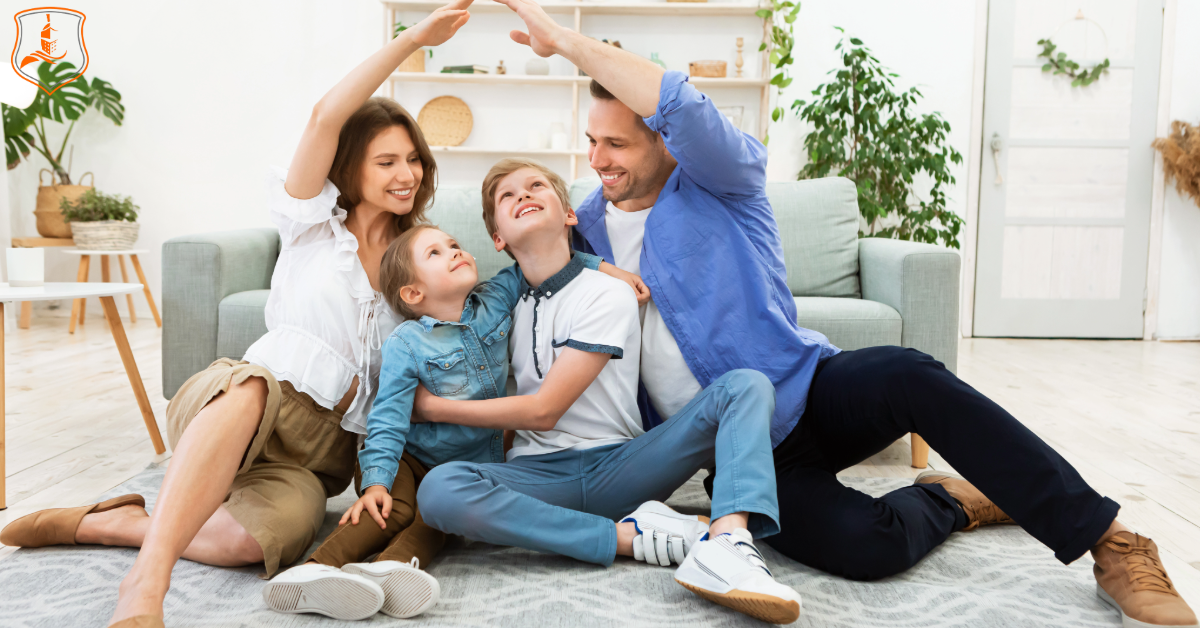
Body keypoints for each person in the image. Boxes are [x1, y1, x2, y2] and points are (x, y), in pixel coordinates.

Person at [488, 0, 1200, 626]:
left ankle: (1112, 541)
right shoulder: (586, 220)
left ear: (666, 143)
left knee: (912, 376)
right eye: (591, 142)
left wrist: (567, 41)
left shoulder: (723, 180)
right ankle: (952, 501)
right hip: (739, 451)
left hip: (811, 389)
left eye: (616, 142)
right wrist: (592, 264)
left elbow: (678, 100)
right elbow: (522, 266)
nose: (598, 159)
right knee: (866, 547)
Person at [0, 3, 475, 627]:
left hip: (323, 450)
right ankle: (144, 587)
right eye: (387, 161)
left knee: (250, 545)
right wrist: (413, 39)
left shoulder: (418, 258)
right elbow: (325, 115)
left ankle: (115, 524)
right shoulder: (309, 223)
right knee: (251, 385)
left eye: (414, 160)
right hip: (251, 399)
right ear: (349, 166)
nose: (407, 174)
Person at [412, 158, 804, 625]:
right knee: (438, 490)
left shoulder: (607, 293)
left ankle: (728, 543)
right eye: (508, 196)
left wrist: (434, 408)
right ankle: (629, 538)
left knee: (744, 386)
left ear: (569, 215)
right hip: (539, 479)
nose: (524, 195)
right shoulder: (501, 303)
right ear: (498, 239)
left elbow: (544, 411)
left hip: (620, 467)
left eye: (537, 186)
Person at [262, 225, 636, 621]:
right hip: (409, 459)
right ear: (413, 294)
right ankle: (314, 571)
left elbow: (545, 266)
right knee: (393, 508)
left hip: (466, 469)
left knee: (436, 518)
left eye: (454, 245)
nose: (455, 252)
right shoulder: (406, 343)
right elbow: (388, 417)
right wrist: (376, 482)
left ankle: (390, 571)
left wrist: (608, 270)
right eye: (436, 253)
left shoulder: (495, 300)